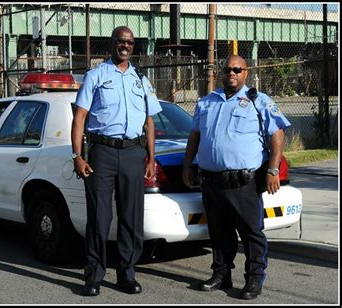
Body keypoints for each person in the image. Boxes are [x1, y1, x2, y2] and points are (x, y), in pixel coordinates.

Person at [182, 55, 291, 300]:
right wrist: (187, 165)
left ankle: (254, 279)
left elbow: (278, 135)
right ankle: (221, 274)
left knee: (252, 233)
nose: (231, 73)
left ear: (246, 73)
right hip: (211, 181)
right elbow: (195, 135)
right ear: (221, 73)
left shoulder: (258, 101)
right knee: (219, 233)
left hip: (244, 183)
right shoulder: (207, 102)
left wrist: (273, 170)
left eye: (236, 69)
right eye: (227, 69)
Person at [71, 26, 162, 296]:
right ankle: (94, 275)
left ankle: (126, 273)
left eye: (130, 43)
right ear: (112, 43)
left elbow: (149, 122)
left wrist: (151, 158)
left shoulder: (141, 79)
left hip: (134, 153)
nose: (125, 46)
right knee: (99, 217)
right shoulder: (96, 75)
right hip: (103, 152)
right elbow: (79, 118)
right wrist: (77, 155)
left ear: (134, 47)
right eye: (121, 41)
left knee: (131, 218)